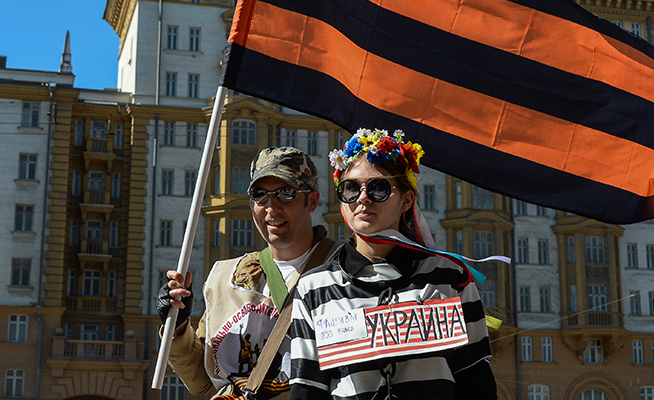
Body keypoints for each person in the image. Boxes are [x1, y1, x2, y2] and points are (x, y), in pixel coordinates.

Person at [289, 128, 497, 400]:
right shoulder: (314, 288)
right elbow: (307, 389)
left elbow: (475, 380)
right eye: (351, 188)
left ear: (406, 200)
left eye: (378, 187)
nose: (362, 198)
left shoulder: (450, 277)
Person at [157, 146, 339, 399]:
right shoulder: (226, 277)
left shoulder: (344, 269)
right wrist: (178, 327)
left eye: (286, 193)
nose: (271, 206)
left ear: (313, 200)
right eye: (260, 195)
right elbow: (204, 382)